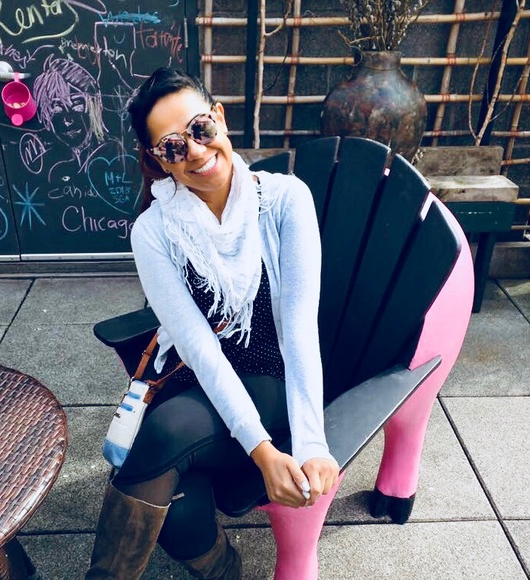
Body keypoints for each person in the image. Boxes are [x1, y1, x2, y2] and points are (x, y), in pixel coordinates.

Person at [86, 67, 340, 580]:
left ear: (219, 117)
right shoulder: (155, 232)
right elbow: (200, 351)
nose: (196, 152)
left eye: (200, 129)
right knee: (179, 509)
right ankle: (223, 568)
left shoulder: (285, 201)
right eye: (173, 147)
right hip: (198, 382)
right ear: (159, 159)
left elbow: (299, 332)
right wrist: (260, 454)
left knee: (164, 433)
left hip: (271, 383)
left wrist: (306, 445)